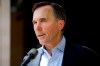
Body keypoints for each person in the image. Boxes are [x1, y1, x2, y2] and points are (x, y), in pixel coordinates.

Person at [21, 1, 99, 66]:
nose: (37, 28)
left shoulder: (85, 56)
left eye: (43, 21)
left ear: (60, 25)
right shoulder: (30, 59)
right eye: (35, 22)